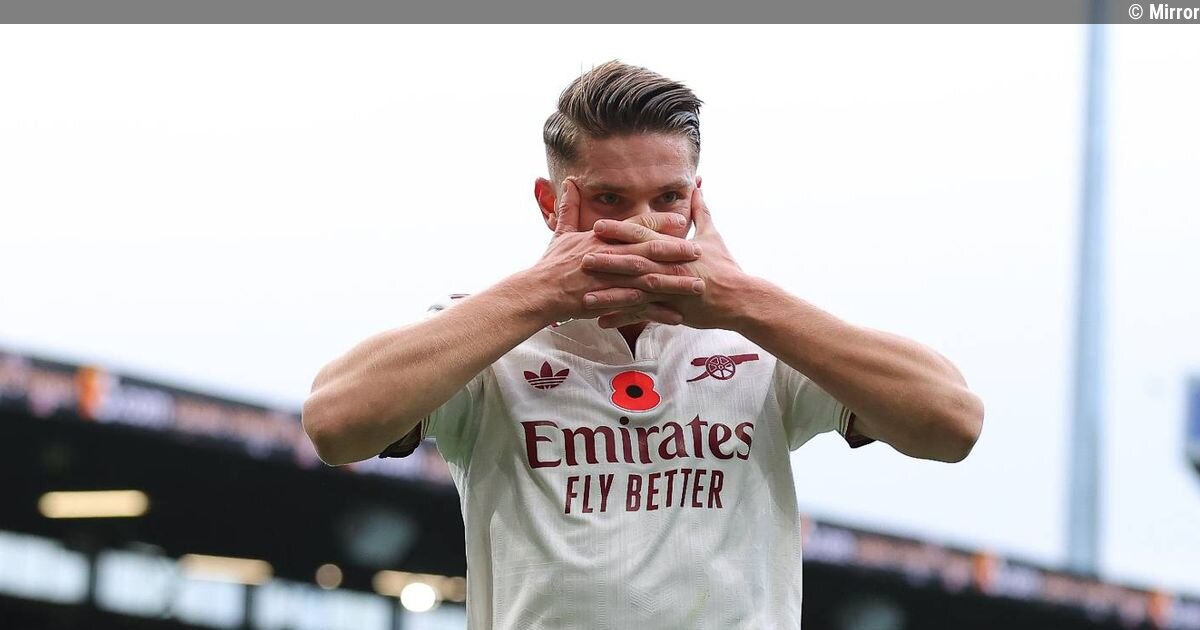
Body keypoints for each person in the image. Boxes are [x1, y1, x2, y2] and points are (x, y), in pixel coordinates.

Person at [302, 60, 984, 629]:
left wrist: (743, 301)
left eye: (667, 198)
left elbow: (953, 422)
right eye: (609, 199)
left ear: (697, 199)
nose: (644, 225)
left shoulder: (759, 332)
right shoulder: (489, 338)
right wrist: (540, 293)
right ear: (549, 202)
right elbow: (334, 424)